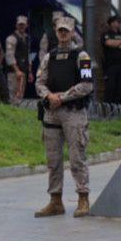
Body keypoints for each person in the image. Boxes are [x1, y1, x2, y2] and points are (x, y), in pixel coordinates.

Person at [34, 14, 94, 219]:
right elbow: (39, 82)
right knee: (53, 159)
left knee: (77, 157)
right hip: (52, 112)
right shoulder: (49, 57)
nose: (62, 34)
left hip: (73, 113)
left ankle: (83, 198)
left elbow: (87, 85)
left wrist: (64, 97)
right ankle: (55, 200)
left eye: (66, 31)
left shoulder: (82, 57)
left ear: (72, 32)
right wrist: (48, 96)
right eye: (59, 30)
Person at [101, 14, 121, 106]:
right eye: (118, 22)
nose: (119, 24)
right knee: (110, 87)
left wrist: (118, 45)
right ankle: (108, 107)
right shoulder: (106, 34)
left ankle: (118, 106)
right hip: (110, 65)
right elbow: (109, 43)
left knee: (120, 87)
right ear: (112, 23)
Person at [4, 15, 31, 103]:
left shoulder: (27, 38)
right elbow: (9, 56)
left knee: (20, 95)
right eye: (20, 25)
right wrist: (17, 70)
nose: (21, 27)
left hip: (23, 71)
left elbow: (28, 55)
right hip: (14, 72)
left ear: (26, 25)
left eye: (23, 25)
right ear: (16, 25)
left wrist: (30, 72)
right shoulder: (11, 38)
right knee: (13, 95)